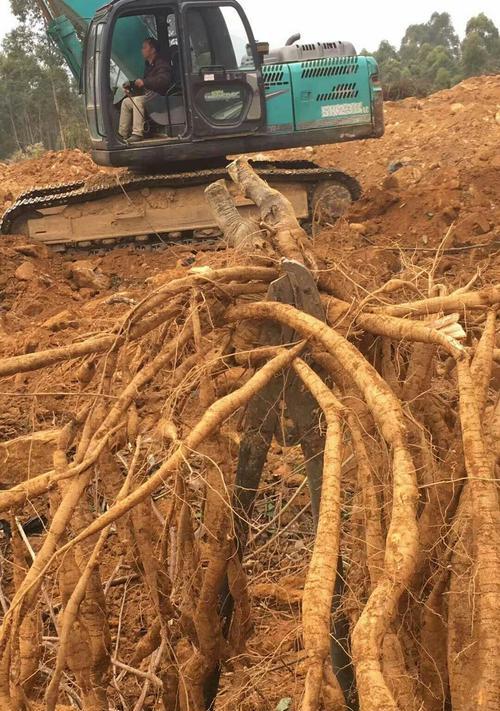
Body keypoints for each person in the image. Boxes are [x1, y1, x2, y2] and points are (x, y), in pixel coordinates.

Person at [119, 37, 172, 143]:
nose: (141, 50)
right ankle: (122, 135)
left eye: (144, 47)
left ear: (152, 50)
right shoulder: (149, 66)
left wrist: (145, 82)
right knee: (126, 102)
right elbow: (145, 83)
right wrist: (131, 86)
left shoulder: (162, 63)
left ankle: (137, 133)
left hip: (160, 98)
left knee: (138, 101)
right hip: (150, 97)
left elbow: (164, 81)